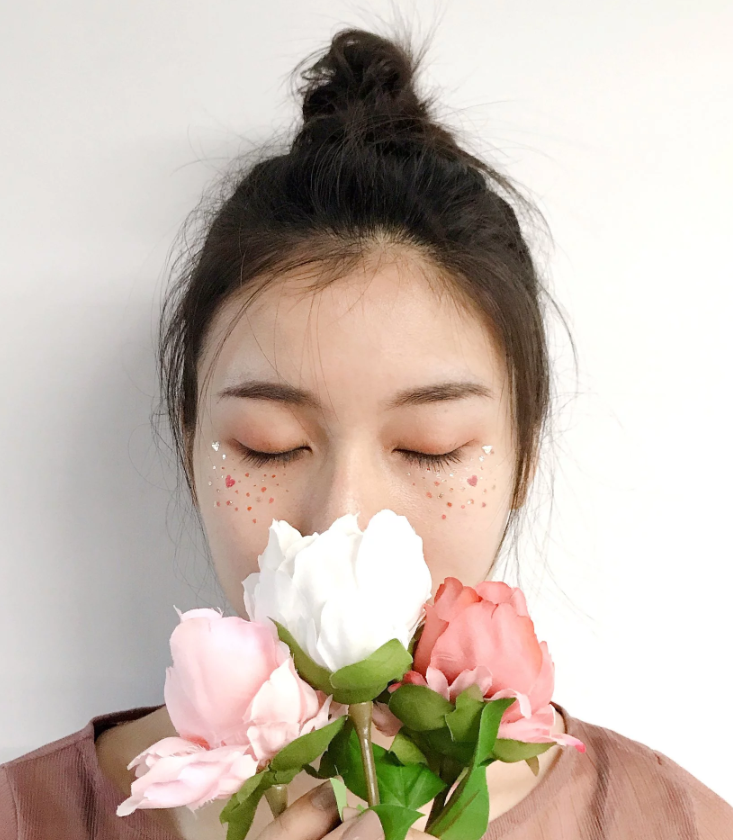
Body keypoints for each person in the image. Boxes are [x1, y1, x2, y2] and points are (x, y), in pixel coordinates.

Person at [1, 25, 731, 840]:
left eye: (429, 447)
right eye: (268, 445)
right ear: (188, 444)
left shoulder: (676, 824)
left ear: (523, 458)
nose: (340, 520)